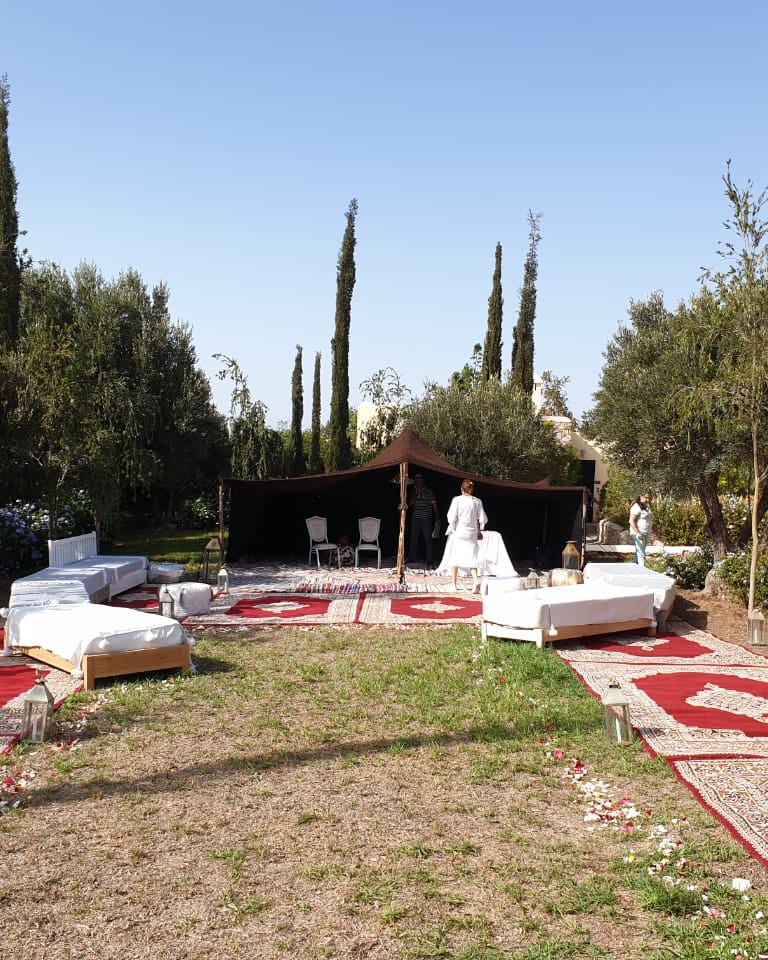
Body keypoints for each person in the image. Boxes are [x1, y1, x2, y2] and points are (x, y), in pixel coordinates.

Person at [446, 478, 488, 592]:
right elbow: (483, 518)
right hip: (471, 533)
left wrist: (452, 526)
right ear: (472, 489)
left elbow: (452, 516)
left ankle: (454, 585)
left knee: (455, 556)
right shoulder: (477, 501)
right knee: (472, 557)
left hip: (460, 531)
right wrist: (481, 529)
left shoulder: (457, 500)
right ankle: (475, 580)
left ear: (461, 489)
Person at [408, 473, 440, 568]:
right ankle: (412, 557)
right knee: (414, 538)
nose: (418, 483)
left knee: (428, 539)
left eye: (419, 481)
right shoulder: (414, 492)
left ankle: (429, 559)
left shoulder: (430, 492)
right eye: (416, 481)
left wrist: (437, 518)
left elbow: (434, 506)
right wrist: (416, 492)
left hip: (426, 518)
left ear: (422, 482)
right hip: (416, 518)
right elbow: (410, 503)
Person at [629, 492, 652, 567]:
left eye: (649, 498)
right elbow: (631, 521)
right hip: (638, 533)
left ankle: (633, 567)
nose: (647, 500)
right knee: (641, 553)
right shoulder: (636, 507)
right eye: (646, 498)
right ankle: (643, 570)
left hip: (646, 532)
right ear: (640, 497)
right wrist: (638, 533)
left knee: (639, 551)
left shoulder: (647, 506)